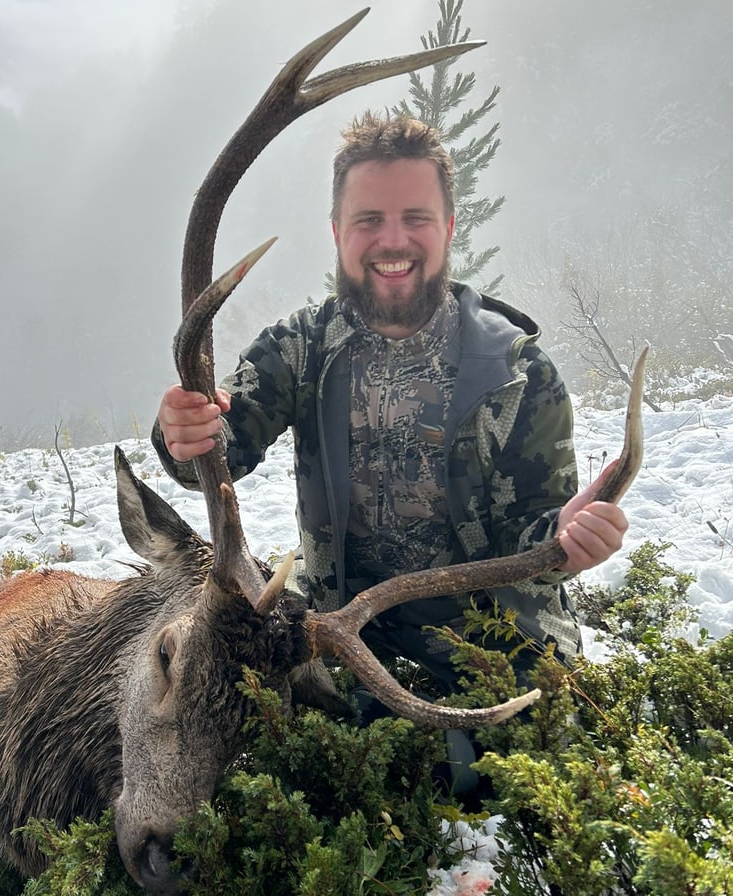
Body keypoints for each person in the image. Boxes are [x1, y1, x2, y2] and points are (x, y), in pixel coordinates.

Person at [152, 112, 627, 713]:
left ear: (449, 227)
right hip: (339, 626)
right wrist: (183, 433)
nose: (392, 240)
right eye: (369, 220)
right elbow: (219, 450)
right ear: (337, 232)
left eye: (416, 219)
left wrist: (565, 541)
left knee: (512, 748)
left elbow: (529, 535)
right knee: (223, 701)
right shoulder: (299, 349)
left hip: (492, 635)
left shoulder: (518, 376)